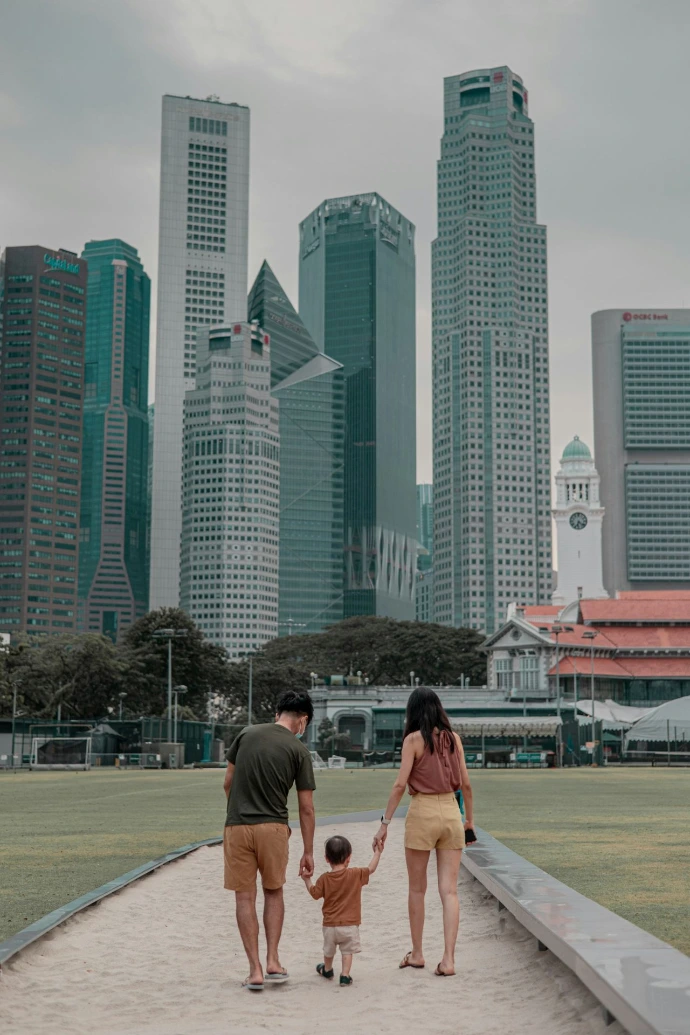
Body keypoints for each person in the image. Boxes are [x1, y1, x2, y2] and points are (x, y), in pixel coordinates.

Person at [373, 686, 474, 977]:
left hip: (422, 811)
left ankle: (417, 953)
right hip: (451, 812)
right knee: (449, 890)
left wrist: (385, 823)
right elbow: (466, 784)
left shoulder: (413, 740)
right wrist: (469, 822)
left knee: (417, 889)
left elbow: (399, 785)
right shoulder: (454, 739)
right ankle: (448, 959)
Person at [223, 689, 316, 991]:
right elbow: (306, 808)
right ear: (303, 720)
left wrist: (238, 811)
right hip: (274, 827)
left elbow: (227, 782)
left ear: (277, 714)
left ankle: (254, 971)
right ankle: (273, 960)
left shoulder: (246, 734)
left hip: (237, 825)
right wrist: (308, 851)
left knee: (244, 897)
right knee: (273, 892)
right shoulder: (299, 750)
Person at [302, 834, 382, 986]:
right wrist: (377, 853)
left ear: (327, 858)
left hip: (330, 925)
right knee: (347, 951)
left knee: (328, 951)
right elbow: (371, 869)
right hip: (350, 925)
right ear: (349, 858)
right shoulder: (355, 874)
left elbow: (314, 893)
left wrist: (307, 879)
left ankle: (327, 969)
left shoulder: (324, 879)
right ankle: (345, 975)